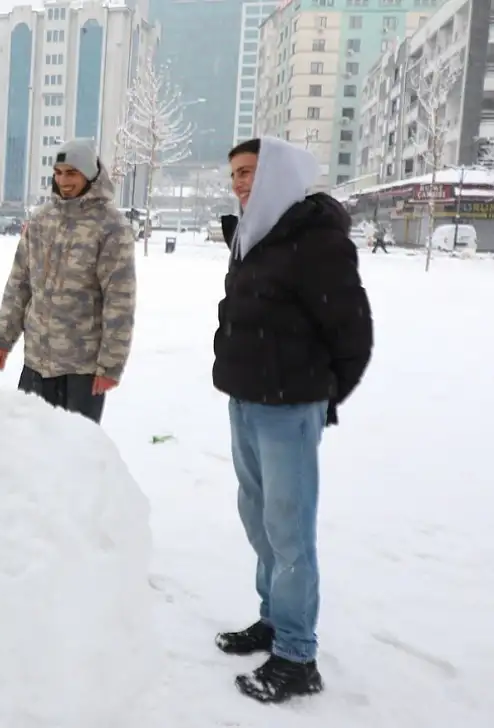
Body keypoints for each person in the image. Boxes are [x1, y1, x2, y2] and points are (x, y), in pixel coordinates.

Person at [213, 137, 373, 703]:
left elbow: (352, 333)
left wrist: (319, 399)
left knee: (289, 532)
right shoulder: (253, 235)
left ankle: (298, 655)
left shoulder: (316, 242)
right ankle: (275, 621)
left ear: (280, 173)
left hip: (288, 408)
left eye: (250, 171)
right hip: (245, 399)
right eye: (234, 173)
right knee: (258, 520)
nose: (239, 182)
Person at [0, 138, 136, 424]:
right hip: (36, 362)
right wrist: (3, 340)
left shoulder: (111, 227)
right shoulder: (41, 221)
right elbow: (19, 284)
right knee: (29, 445)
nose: (63, 180)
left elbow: (119, 301)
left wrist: (110, 365)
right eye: (58, 173)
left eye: (72, 173)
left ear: (89, 174)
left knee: (73, 455)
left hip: (81, 369)